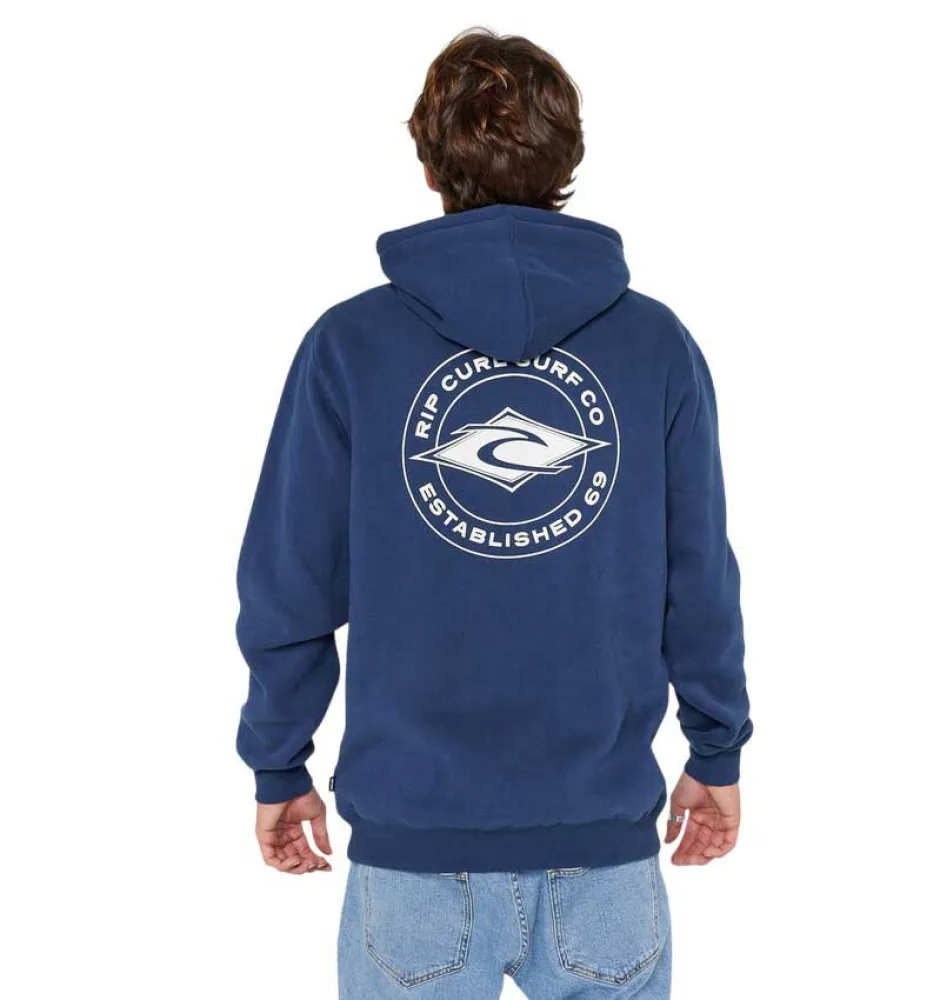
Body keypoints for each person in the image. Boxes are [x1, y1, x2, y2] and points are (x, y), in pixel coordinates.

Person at [236, 27, 752, 999]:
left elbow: (287, 582)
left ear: (431, 161)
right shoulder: (652, 345)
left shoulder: (351, 345)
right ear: (566, 159)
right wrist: (715, 749)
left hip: (413, 852)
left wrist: (278, 762)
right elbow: (700, 578)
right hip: (603, 846)